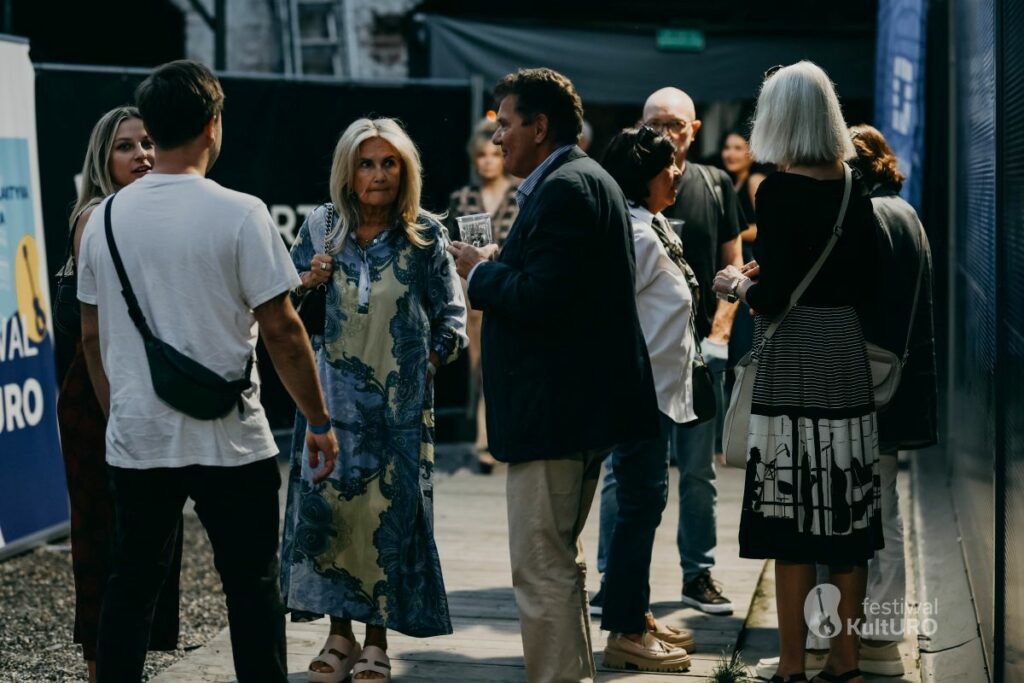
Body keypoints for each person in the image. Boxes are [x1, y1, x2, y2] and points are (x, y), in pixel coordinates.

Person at [78, 60, 339, 682]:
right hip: (232, 436)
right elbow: (282, 330)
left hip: (140, 435)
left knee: (130, 586)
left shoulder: (104, 219)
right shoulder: (242, 212)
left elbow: (91, 334)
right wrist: (318, 420)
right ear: (212, 126)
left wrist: (121, 413)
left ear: (154, 126)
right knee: (252, 587)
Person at [447, 67, 659, 683]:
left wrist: (480, 273)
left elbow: (544, 299)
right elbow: (561, 285)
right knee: (558, 561)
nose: (497, 138)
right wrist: (499, 263)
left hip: (556, 414)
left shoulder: (566, 187)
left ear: (540, 128)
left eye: (506, 125)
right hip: (576, 409)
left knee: (541, 565)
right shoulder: (576, 179)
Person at [280, 117, 467, 683]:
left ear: (405, 171)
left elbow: (452, 318)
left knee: (385, 521)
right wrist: (307, 281)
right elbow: (279, 306)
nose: (379, 174)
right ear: (348, 171)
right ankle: (338, 635)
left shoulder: (425, 234)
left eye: (390, 163)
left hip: (397, 416)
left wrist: (427, 364)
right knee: (331, 517)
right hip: (328, 407)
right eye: (367, 163)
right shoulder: (322, 227)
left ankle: (377, 640)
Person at [713, 61, 884, 683]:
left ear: (779, 118)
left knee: (788, 519)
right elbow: (866, 277)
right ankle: (845, 663)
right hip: (843, 357)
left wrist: (737, 285)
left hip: (792, 362)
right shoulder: (853, 185)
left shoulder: (776, 191)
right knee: (845, 517)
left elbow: (774, 297)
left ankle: (791, 666)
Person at [755, 124, 937, 680]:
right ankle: (877, 637)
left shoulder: (867, 214)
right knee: (878, 512)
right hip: (897, 381)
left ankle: (833, 641)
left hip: (851, 379)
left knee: (836, 516)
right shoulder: (907, 215)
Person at [606, 86, 744, 615]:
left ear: (694, 130)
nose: (666, 136)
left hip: (697, 357)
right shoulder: (634, 220)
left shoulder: (706, 187)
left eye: (675, 126)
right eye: (654, 126)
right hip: (644, 374)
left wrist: (719, 334)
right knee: (633, 482)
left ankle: (691, 576)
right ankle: (619, 591)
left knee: (694, 473)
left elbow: (728, 262)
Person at [55, 105, 181, 683]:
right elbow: (95, 332)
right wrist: (115, 413)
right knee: (102, 534)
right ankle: (98, 664)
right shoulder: (96, 217)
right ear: (103, 159)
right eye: (126, 146)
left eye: (148, 142)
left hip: (144, 390)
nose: (142, 155)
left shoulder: (153, 212)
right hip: (98, 393)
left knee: (146, 533)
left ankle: (126, 660)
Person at [595, 126, 701, 673]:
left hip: (654, 394)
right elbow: (612, 314)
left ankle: (634, 612)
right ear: (644, 177)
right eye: (667, 167)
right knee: (640, 508)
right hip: (640, 395)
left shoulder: (649, 224)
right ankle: (626, 632)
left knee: (644, 506)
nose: (677, 173)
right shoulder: (636, 234)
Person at [445, 117, 519, 474]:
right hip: (473, 290)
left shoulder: (520, 194)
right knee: (481, 365)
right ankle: (485, 439)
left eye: (492, 154)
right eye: (480, 155)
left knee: (507, 361)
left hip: (510, 285)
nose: (487, 161)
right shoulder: (463, 198)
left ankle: (496, 436)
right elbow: (450, 248)